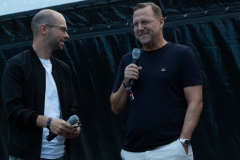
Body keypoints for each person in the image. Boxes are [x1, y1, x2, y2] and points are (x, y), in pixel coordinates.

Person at [110, 2, 203, 160]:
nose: (140, 28)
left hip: (170, 149)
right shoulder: (128, 60)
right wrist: (125, 83)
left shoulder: (181, 54)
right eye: (135, 24)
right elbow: (115, 108)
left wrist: (183, 142)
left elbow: (196, 102)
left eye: (145, 22)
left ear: (161, 22)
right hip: (132, 152)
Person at [2, 9, 81, 160]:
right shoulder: (17, 65)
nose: (67, 35)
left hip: (61, 155)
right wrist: (49, 122)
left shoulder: (63, 69)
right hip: (26, 155)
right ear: (44, 28)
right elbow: (13, 111)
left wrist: (74, 126)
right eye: (63, 29)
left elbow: (72, 107)